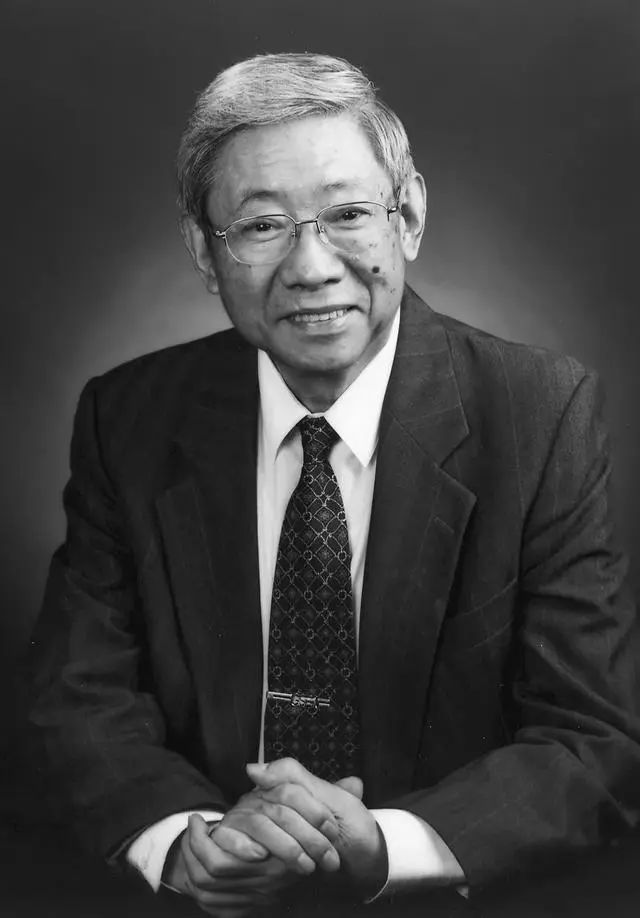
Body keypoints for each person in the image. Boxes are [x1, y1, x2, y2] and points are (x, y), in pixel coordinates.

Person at [29, 52, 640, 917]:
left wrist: (385, 846)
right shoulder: (127, 417)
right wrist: (185, 841)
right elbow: (78, 696)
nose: (312, 266)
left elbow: (591, 735)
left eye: (348, 214)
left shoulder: (539, 411)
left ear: (409, 216)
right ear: (205, 251)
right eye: (262, 225)